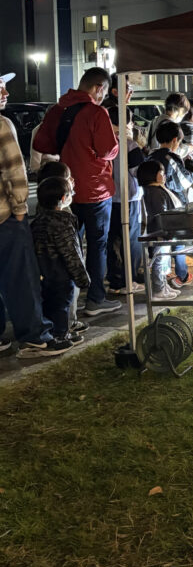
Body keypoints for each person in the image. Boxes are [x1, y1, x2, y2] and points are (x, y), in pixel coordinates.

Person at [32, 67, 121, 317]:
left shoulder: (58, 109)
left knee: (69, 246)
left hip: (66, 188)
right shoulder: (96, 112)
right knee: (97, 245)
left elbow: (42, 144)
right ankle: (95, 299)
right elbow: (107, 151)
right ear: (99, 88)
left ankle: (67, 304)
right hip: (96, 189)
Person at [0, 71, 70, 358]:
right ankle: (34, 336)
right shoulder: (2, 125)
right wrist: (19, 210)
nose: (5, 94)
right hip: (4, 216)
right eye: (1, 88)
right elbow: (14, 171)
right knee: (21, 277)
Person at [30, 176, 90, 345]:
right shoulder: (63, 222)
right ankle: (61, 335)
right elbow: (71, 252)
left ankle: (51, 332)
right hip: (61, 274)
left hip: (43, 273)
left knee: (49, 304)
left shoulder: (37, 222)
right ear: (64, 198)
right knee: (62, 306)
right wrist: (82, 278)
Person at [148, 120, 193, 288]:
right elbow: (184, 181)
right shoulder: (171, 157)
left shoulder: (151, 155)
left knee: (159, 243)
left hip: (153, 203)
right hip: (173, 203)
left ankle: (162, 275)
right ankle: (181, 275)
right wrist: (191, 166)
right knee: (178, 240)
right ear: (175, 140)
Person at [105, 106, 145, 295]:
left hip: (107, 198)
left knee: (112, 240)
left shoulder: (101, 141)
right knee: (131, 240)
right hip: (129, 197)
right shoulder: (129, 144)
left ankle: (115, 281)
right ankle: (131, 278)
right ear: (126, 122)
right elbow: (139, 172)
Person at [136, 160, 180, 301]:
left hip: (162, 231)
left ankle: (163, 287)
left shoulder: (155, 190)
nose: (164, 175)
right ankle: (158, 289)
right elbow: (160, 214)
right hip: (159, 232)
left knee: (163, 259)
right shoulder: (154, 192)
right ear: (152, 175)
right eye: (161, 173)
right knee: (159, 260)